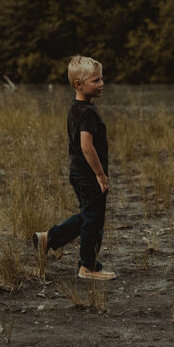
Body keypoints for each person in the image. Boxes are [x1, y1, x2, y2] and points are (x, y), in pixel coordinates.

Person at [32, 55, 116, 280]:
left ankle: (49, 239)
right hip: (88, 175)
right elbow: (86, 146)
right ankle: (86, 267)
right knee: (93, 220)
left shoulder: (76, 107)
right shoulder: (88, 112)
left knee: (89, 216)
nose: (101, 84)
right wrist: (100, 174)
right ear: (78, 85)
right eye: (95, 80)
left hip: (78, 173)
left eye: (101, 79)